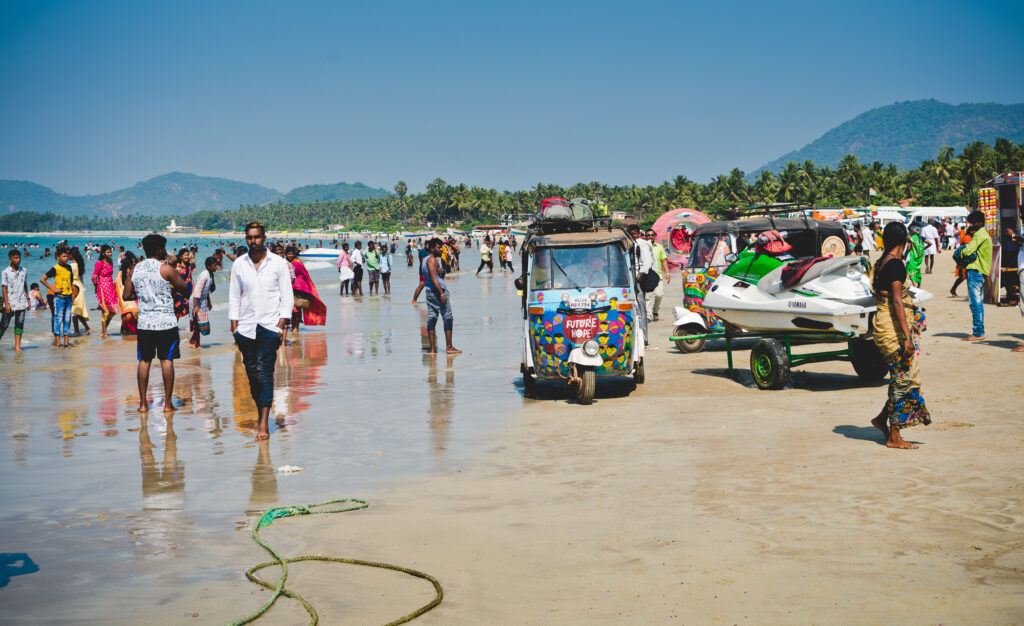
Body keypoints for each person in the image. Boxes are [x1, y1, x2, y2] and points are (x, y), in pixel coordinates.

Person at [229, 222, 294, 440]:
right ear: (245, 238)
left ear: (264, 238)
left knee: (265, 373)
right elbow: (234, 296)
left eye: (256, 237)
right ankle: (260, 413)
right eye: (249, 237)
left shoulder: (278, 263)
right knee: (252, 375)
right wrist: (234, 327)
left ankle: (264, 423)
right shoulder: (239, 264)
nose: (253, 241)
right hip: (245, 328)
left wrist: (280, 326)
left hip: (270, 326)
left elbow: (287, 296)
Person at [870, 222, 931, 449]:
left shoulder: (881, 262)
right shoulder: (895, 265)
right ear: (904, 241)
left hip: (884, 325)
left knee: (901, 376)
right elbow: (896, 300)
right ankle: (894, 437)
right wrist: (907, 336)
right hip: (893, 329)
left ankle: (880, 419)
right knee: (901, 379)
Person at [123, 234, 190, 412]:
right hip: (166, 322)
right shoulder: (166, 269)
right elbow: (185, 288)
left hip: (145, 323)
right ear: (160, 249)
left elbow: (126, 295)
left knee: (144, 361)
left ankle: (143, 404)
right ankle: (168, 404)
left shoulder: (135, 269)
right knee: (166, 361)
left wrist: (145, 294)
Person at [422, 238, 460, 354]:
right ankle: (449, 347)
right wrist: (442, 293)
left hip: (429, 293)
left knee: (432, 319)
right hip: (437, 293)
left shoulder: (426, 260)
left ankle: (433, 349)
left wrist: (440, 271)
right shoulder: (432, 260)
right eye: (439, 248)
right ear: (432, 248)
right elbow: (433, 277)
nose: (441, 250)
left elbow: (432, 274)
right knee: (447, 318)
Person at [960, 211, 992, 342]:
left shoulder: (979, 234)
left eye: (973, 223)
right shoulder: (985, 234)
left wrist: (960, 252)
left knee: (975, 303)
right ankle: (979, 331)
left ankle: (978, 332)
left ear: (979, 222)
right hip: (981, 272)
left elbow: (968, 250)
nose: (971, 225)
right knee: (978, 303)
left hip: (975, 271)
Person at [284, 245, 326, 334]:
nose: (290, 255)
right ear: (286, 254)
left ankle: (295, 328)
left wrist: (308, 288)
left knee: (297, 308)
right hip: (291, 288)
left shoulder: (296, 262)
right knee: (294, 309)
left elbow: (305, 275)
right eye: (288, 254)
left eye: (292, 254)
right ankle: (294, 327)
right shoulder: (288, 262)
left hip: (299, 289)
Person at [41, 246, 75, 348]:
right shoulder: (55, 269)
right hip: (59, 298)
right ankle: (58, 343)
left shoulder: (69, 267)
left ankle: (66, 342)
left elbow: (71, 282)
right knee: (58, 319)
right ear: (58, 257)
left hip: (68, 298)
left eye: (67, 256)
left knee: (67, 320)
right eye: (64, 256)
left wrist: (72, 293)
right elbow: (43, 279)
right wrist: (53, 289)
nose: (66, 258)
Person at [627, 225, 654, 346]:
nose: (632, 236)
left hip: (637, 278)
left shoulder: (642, 244)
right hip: (627, 278)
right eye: (630, 234)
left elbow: (648, 262)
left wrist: (640, 274)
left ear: (638, 233)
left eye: (634, 234)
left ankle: (644, 338)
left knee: (641, 307)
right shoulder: (625, 244)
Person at [1, 249, 29, 351]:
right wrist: (7, 304)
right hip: (10, 303)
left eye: (19, 258)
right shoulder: (5, 272)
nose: (18, 260)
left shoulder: (24, 270)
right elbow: (4, 288)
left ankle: (17, 347)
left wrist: (28, 300)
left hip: (21, 303)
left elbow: (25, 285)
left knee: (19, 324)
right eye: (16, 258)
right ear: (10, 260)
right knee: (4, 325)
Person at [92, 244, 120, 338]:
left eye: (110, 252)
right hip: (103, 288)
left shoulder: (111, 261)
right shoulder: (99, 263)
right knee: (105, 310)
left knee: (113, 310)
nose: (110, 253)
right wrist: (97, 287)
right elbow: (94, 277)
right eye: (108, 252)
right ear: (103, 253)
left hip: (110, 287)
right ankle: (104, 333)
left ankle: (103, 330)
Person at [188, 256, 217, 348]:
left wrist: (209, 302)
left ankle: (193, 341)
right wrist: (195, 306)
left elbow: (206, 290)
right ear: (208, 266)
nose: (216, 267)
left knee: (199, 323)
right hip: (196, 301)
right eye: (214, 265)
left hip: (202, 301)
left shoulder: (211, 274)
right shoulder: (204, 276)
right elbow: (197, 291)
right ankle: (197, 344)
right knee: (197, 324)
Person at [646, 228, 670, 321]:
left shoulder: (659, 247)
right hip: (646, 277)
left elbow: (664, 261)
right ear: (645, 237)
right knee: (647, 297)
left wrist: (667, 273)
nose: (650, 237)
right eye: (648, 235)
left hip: (657, 276)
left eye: (652, 235)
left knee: (659, 295)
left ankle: (655, 310)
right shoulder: (642, 246)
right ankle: (648, 316)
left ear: (655, 236)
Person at [68, 247, 91, 336]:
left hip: (74, 287)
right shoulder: (80, 265)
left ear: (71, 255)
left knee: (74, 311)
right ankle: (86, 328)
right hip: (80, 286)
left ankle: (77, 331)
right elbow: (81, 279)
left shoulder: (71, 266)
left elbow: (69, 278)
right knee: (77, 311)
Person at [116, 252, 138, 335]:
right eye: (133, 263)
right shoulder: (124, 274)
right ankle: (126, 332)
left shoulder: (131, 272)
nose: (134, 263)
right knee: (130, 316)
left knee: (133, 318)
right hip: (127, 298)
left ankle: (127, 333)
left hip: (131, 298)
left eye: (135, 262)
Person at [950, 226, 971, 297]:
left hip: (966, 262)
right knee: (963, 277)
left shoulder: (965, 234)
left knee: (964, 278)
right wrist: (960, 263)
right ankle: (953, 290)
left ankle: (953, 289)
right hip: (964, 263)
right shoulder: (967, 237)